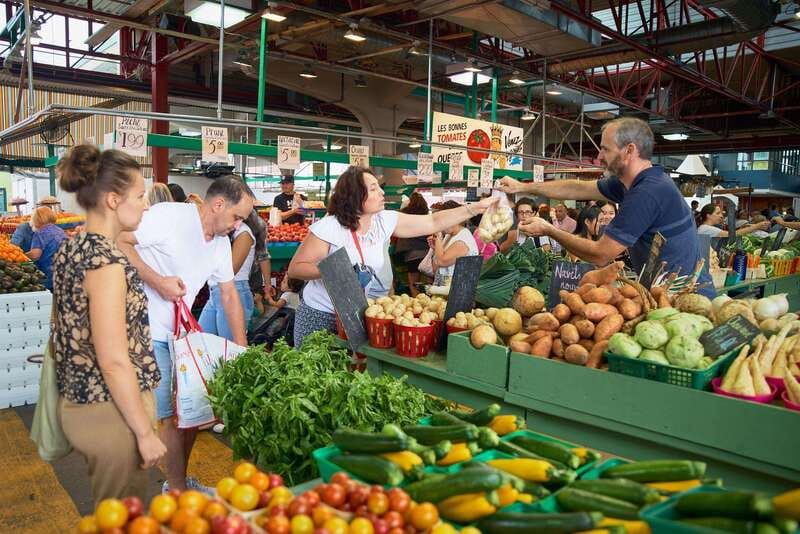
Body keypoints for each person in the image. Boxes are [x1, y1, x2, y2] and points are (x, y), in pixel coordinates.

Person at [117, 175, 254, 493]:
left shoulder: (220, 244)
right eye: (237, 217)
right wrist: (157, 281)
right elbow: (120, 242)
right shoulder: (169, 217)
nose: (237, 226)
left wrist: (242, 347)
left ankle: (178, 483)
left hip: (180, 335)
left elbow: (230, 294)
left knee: (192, 412)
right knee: (172, 417)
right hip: (145, 325)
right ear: (218, 204)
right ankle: (177, 489)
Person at [51, 145, 165, 505]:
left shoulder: (73, 248)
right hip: (111, 412)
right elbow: (114, 361)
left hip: (80, 401)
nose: (146, 204)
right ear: (115, 200)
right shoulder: (106, 263)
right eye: (140, 195)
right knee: (119, 516)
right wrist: (144, 433)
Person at [500, 116, 716, 297]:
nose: (599, 156)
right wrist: (523, 186)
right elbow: (578, 189)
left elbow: (601, 253)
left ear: (629, 150)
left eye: (605, 149)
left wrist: (549, 230)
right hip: (662, 294)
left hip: (685, 299)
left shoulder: (647, 192)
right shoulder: (629, 183)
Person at [288, 166, 497, 347]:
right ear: (354, 196)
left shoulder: (383, 221)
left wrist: (474, 208)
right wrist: (337, 271)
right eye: (372, 189)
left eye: (378, 187)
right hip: (321, 314)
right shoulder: (330, 227)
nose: (381, 192)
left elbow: (432, 222)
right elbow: (296, 268)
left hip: (355, 315)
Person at [199, 209, 266, 340]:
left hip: (234, 289)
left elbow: (230, 270)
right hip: (216, 291)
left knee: (230, 350)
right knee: (202, 343)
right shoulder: (224, 231)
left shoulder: (244, 233)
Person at [428, 201, 480, 287]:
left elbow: (442, 261)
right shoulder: (448, 236)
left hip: (457, 290)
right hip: (443, 289)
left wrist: (438, 239)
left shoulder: (462, 239)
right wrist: (435, 248)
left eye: (442, 220)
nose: (440, 224)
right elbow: (435, 268)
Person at [394, 192, 430, 296]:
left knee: (413, 283)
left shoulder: (405, 215)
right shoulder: (426, 216)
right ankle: (428, 303)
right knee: (427, 284)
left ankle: (416, 302)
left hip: (411, 254)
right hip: (426, 254)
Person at [26, 206, 67, 290]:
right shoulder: (59, 230)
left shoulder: (40, 233)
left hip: (49, 275)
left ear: (36, 219)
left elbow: (35, 255)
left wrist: (22, 255)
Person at [696, 204, 769, 238]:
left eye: (721, 213)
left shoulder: (706, 228)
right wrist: (756, 226)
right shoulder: (705, 228)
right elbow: (732, 235)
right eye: (718, 213)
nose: (721, 216)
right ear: (708, 215)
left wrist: (747, 227)